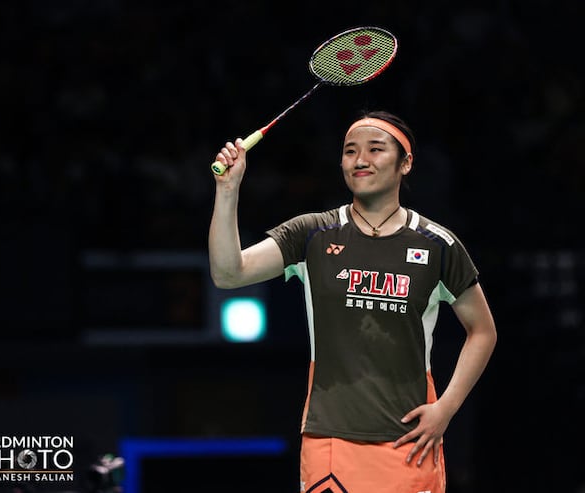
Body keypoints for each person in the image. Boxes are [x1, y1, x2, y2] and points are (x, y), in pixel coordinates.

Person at [208, 110, 497, 493]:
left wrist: (446, 408)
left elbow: (482, 331)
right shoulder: (312, 234)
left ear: (406, 163)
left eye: (375, 149)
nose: (360, 159)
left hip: (409, 442)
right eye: (350, 151)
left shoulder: (437, 245)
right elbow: (229, 273)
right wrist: (227, 191)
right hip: (330, 440)